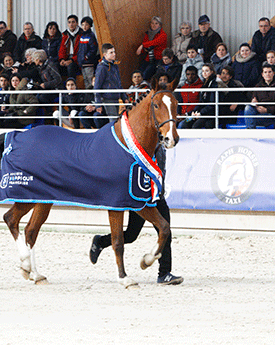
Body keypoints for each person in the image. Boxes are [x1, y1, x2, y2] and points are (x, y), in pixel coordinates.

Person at [89, 145, 183, 285]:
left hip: (157, 196)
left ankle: (164, 273)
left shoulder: (160, 144)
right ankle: (101, 241)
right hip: (142, 196)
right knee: (131, 235)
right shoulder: (142, 144)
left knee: (165, 232)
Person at [178, 63, 218, 129]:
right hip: (199, 113)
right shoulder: (205, 85)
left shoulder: (214, 84)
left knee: (195, 126)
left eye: (207, 71)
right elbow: (201, 102)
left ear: (212, 72)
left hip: (209, 115)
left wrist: (200, 113)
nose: (204, 73)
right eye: (203, 71)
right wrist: (192, 113)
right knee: (185, 123)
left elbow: (212, 104)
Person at [94, 43, 128, 120]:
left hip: (115, 97)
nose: (114, 54)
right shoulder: (102, 68)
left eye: (114, 52)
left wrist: (124, 97)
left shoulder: (115, 66)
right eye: (111, 52)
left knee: (116, 119)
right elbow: (97, 86)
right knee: (113, 120)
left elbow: (119, 83)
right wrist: (98, 104)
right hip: (108, 98)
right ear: (105, 54)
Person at [136, 16, 168, 81]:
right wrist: (144, 48)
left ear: (160, 25)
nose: (154, 25)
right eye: (152, 23)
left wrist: (142, 45)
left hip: (158, 59)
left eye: (156, 23)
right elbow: (146, 46)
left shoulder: (163, 35)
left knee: (145, 74)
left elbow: (154, 43)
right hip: (148, 58)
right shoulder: (147, 33)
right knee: (138, 73)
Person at [59, 14, 83, 79]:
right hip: (67, 58)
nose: (71, 24)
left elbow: (81, 52)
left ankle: (72, 85)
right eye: (69, 22)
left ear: (77, 23)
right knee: (57, 66)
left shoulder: (81, 34)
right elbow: (62, 48)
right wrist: (62, 59)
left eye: (73, 22)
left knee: (71, 67)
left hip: (77, 60)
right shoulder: (65, 34)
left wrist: (72, 60)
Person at [77, 16, 99, 89]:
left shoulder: (91, 36)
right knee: (85, 80)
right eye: (83, 25)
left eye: (86, 24)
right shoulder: (82, 36)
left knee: (90, 80)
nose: (84, 27)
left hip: (88, 63)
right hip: (82, 63)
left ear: (90, 25)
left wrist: (87, 57)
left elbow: (93, 49)